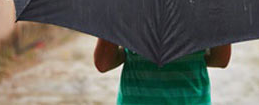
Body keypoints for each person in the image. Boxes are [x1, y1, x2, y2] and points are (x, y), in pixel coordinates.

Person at [94, 38, 231, 104]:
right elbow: (221, 59)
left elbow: (103, 63)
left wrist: (131, 53)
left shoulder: (129, 0)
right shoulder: (206, 2)